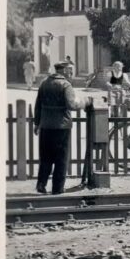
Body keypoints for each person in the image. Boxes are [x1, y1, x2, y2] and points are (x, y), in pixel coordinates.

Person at [33, 62, 88, 194]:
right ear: (63, 70)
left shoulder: (44, 83)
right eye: (69, 70)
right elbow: (72, 105)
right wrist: (85, 102)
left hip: (46, 126)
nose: (71, 73)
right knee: (61, 159)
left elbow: (38, 105)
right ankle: (57, 188)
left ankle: (41, 184)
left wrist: (36, 124)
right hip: (61, 127)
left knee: (45, 157)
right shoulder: (66, 85)